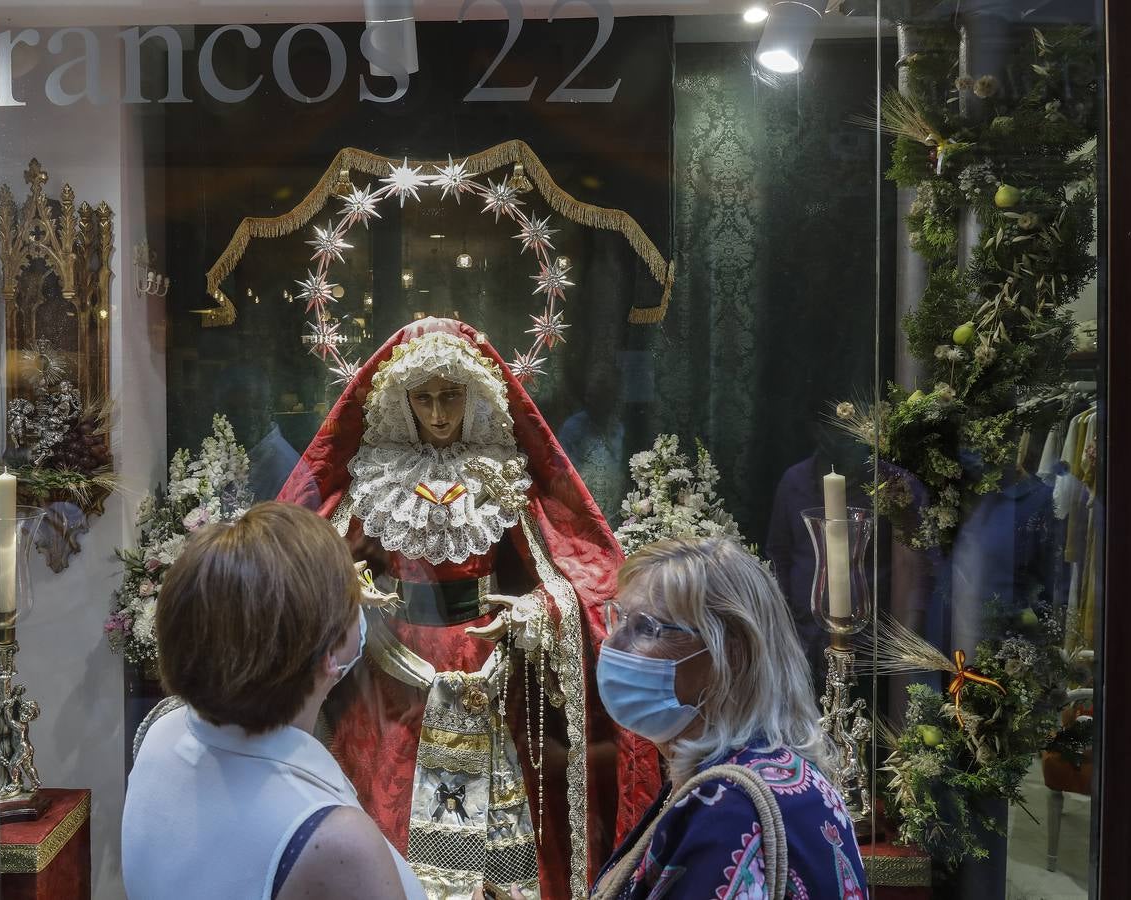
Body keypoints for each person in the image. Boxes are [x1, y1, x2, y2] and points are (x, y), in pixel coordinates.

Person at [279, 318, 660, 900]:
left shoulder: (500, 473)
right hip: (390, 678)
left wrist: (535, 613)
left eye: (451, 397)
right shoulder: (374, 477)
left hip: (484, 663)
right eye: (424, 398)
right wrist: (348, 589)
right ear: (402, 401)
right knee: (389, 803)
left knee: (490, 823)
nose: (437, 413)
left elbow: (572, 575)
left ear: (473, 396)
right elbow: (319, 564)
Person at [121, 502, 427, 900]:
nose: (363, 603)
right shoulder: (336, 842)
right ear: (331, 653)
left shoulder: (162, 730)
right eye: (352, 597)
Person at [586, 537, 869, 899]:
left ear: (729, 654)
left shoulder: (728, 807)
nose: (612, 644)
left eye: (645, 628)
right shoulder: (772, 769)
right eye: (617, 618)